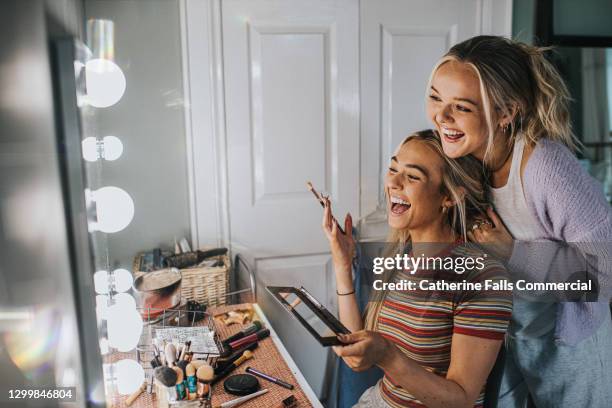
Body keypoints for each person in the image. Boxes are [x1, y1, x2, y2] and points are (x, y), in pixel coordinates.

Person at [426, 35, 612, 407]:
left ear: (505, 112)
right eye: (435, 98)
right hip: (513, 336)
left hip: (569, 344)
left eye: (460, 107)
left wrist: (514, 252)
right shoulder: (466, 161)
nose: (441, 117)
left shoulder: (546, 169)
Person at [323, 130, 512, 408]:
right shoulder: (403, 257)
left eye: (412, 176)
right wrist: (341, 263)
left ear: (448, 196)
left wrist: (387, 355)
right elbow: (357, 353)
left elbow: (462, 400)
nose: (393, 183)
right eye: (393, 169)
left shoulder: (481, 276)